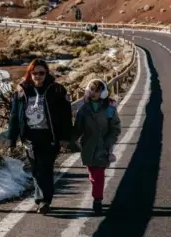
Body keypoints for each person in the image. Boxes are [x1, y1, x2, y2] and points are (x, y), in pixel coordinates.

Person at [8, 59, 73, 214]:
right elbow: (15, 116)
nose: (38, 76)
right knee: (36, 169)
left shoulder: (56, 90)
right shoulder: (22, 91)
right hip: (30, 137)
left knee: (46, 168)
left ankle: (44, 201)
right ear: (30, 74)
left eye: (41, 73)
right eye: (35, 73)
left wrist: (65, 138)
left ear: (46, 73)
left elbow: (66, 116)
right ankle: (42, 200)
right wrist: (12, 138)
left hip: (50, 137)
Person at [72, 79, 121, 215]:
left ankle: (97, 200)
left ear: (103, 93)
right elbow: (78, 128)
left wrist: (108, 143)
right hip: (87, 146)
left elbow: (115, 128)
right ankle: (97, 195)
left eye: (97, 90)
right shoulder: (84, 109)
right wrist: (69, 141)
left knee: (98, 175)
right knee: (92, 174)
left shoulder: (109, 109)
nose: (94, 93)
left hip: (102, 147)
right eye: (91, 89)